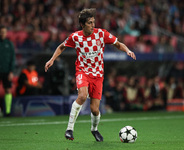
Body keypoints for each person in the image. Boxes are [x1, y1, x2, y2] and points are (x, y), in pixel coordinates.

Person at [45, 8, 136, 142]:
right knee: (82, 96)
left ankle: (94, 129)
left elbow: (118, 44)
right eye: (89, 23)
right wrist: (52, 59)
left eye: (93, 22)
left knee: (94, 109)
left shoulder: (101, 34)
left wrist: (127, 50)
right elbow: (61, 46)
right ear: (82, 25)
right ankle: (69, 129)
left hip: (98, 75)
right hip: (83, 71)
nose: (93, 25)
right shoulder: (75, 37)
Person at [0, 25, 15, 116]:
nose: (2, 34)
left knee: (8, 90)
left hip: (6, 71)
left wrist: (11, 71)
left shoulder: (9, 44)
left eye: (4, 32)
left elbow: (12, 58)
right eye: (1, 32)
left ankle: (8, 111)